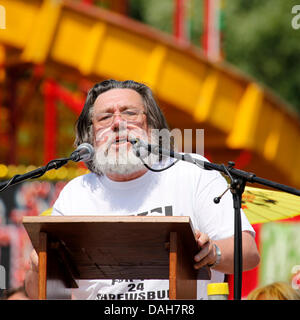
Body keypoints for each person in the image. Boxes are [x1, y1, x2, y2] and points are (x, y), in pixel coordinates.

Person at [25, 79, 260, 300]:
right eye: (105, 117)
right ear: (91, 136)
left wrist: (213, 253)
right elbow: (39, 293)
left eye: (129, 113)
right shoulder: (76, 194)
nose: (118, 123)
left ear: (153, 126)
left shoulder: (192, 172)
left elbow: (248, 253)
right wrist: (39, 265)